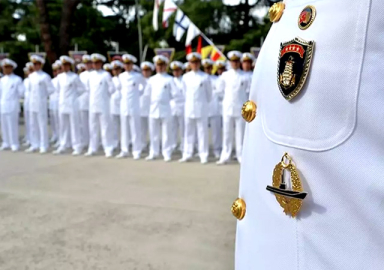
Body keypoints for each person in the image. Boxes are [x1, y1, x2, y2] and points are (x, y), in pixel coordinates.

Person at [216, 51, 249, 165]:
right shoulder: (225, 75)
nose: (234, 63)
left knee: (240, 133)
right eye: (232, 61)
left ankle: (240, 155)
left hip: (240, 107)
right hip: (228, 108)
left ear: (239, 62)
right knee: (227, 133)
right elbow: (219, 91)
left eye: (236, 61)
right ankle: (225, 155)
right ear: (229, 62)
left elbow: (248, 92)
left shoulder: (244, 76)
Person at [179, 53, 212, 164]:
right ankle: (187, 153)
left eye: (197, 62)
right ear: (190, 64)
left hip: (201, 108)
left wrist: (203, 104)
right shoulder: (185, 77)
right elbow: (184, 93)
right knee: (188, 132)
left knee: (202, 132)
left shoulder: (205, 77)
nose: (195, 64)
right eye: (193, 62)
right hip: (189, 108)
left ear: (200, 63)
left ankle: (203, 154)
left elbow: (209, 95)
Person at [144, 55, 177, 162]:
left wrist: (169, 104)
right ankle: (153, 152)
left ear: (166, 66)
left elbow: (175, 95)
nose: (160, 67)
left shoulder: (170, 79)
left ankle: (166, 152)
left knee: (166, 132)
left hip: (166, 108)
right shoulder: (151, 80)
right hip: (153, 109)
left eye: (162, 65)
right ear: (155, 66)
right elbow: (147, 95)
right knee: (153, 132)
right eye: (158, 65)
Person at [115, 54, 146, 159]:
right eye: (125, 64)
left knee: (135, 129)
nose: (127, 66)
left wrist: (137, 95)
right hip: (124, 106)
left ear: (132, 64)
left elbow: (144, 88)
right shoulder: (121, 76)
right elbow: (119, 89)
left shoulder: (137, 76)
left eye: (129, 64)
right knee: (124, 129)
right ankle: (124, 150)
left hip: (134, 105)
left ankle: (136, 150)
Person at [52, 56, 85, 155]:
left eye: (66, 65)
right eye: (63, 65)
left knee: (74, 125)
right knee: (63, 126)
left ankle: (77, 146)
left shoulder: (74, 77)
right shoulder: (59, 77)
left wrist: (74, 96)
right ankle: (63, 144)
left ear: (69, 66)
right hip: (62, 104)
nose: (64, 67)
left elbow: (82, 89)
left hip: (72, 104)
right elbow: (57, 90)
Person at [84, 53, 115, 158]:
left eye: (97, 63)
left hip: (103, 105)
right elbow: (88, 89)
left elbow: (112, 89)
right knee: (92, 127)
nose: (95, 65)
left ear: (101, 63)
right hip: (93, 104)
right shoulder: (90, 75)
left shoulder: (106, 75)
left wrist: (105, 97)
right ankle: (92, 148)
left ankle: (108, 148)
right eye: (93, 63)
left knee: (105, 127)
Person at [25, 55, 55, 154]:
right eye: (34, 64)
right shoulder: (30, 76)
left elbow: (51, 90)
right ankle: (35, 144)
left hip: (41, 103)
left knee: (42, 125)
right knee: (33, 124)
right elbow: (29, 91)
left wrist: (42, 97)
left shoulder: (45, 76)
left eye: (37, 64)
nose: (36, 66)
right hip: (32, 103)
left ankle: (44, 145)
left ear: (41, 65)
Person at [0, 58, 25, 151]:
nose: (5, 69)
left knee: (12, 126)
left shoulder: (17, 79)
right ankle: (6, 142)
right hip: (3, 105)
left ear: (11, 68)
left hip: (13, 105)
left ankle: (14, 143)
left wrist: (14, 99)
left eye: (7, 67)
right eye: (4, 67)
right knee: (4, 125)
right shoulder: (1, 80)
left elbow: (21, 93)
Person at [202, 59, 222, 159]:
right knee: (202, 131)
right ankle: (202, 150)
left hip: (215, 108)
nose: (207, 70)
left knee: (216, 132)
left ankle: (217, 150)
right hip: (203, 109)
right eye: (206, 68)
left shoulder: (217, 79)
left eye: (209, 68)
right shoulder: (201, 78)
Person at [169, 61, 185, 153]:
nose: (176, 72)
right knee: (172, 127)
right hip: (172, 105)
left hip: (182, 105)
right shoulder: (170, 80)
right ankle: (172, 145)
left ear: (181, 71)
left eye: (178, 70)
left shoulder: (184, 80)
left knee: (183, 128)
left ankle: (183, 146)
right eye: (174, 70)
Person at [139, 61, 154, 152]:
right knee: (141, 128)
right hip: (140, 107)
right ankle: (142, 144)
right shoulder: (139, 80)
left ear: (151, 71)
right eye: (144, 70)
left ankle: (153, 145)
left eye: (147, 70)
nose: (145, 72)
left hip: (151, 108)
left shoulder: (153, 80)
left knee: (153, 129)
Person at [78, 54, 92, 149]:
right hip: (83, 101)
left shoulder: (95, 74)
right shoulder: (81, 75)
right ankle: (85, 141)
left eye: (89, 63)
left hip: (93, 101)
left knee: (93, 124)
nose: (87, 65)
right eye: (86, 63)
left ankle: (94, 142)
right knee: (83, 123)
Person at [110, 60, 123, 151]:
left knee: (124, 126)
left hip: (122, 104)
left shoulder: (123, 78)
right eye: (114, 69)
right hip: (113, 104)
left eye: (117, 69)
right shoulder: (110, 79)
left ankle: (125, 142)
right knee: (114, 126)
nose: (116, 71)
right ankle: (115, 142)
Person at [49, 61, 61, 145]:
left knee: (59, 122)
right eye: (54, 71)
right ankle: (55, 135)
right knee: (53, 121)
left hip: (59, 103)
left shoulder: (61, 79)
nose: (56, 72)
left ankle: (60, 137)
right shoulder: (52, 80)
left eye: (58, 70)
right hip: (52, 103)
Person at [22, 62, 34, 147]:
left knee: (34, 122)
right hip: (27, 102)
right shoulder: (26, 80)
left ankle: (34, 139)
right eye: (28, 70)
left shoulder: (35, 79)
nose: (29, 72)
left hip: (34, 102)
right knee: (28, 122)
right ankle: (29, 138)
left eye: (31, 70)